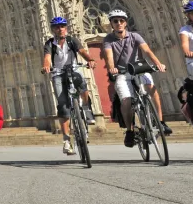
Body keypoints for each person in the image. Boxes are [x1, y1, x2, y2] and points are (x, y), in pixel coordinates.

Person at [102, 9, 172, 147]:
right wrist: (112, 68)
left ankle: (161, 122)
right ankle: (130, 130)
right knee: (126, 100)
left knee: (152, 89)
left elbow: (147, 51)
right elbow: (109, 56)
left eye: (121, 21)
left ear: (126, 23)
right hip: (122, 72)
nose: (119, 23)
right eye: (115, 21)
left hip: (139, 69)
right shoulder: (108, 40)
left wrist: (158, 64)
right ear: (111, 24)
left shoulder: (135, 36)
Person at [41, 16, 97, 156]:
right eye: (57, 27)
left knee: (82, 84)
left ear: (66, 28)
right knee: (63, 104)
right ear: (53, 29)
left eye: (63, 26)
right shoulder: (49, 44)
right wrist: (46, 66)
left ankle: (86, 107)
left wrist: (90, 59)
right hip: (58, 73)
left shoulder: (72, 40)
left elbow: (82, 52)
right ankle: (66, 139)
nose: (60, 29)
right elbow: (47, 58)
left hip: (73, 69)